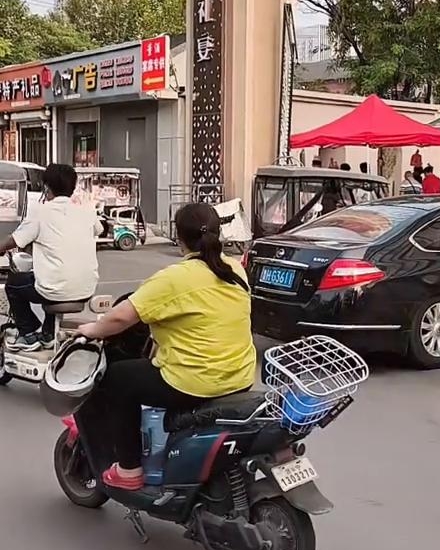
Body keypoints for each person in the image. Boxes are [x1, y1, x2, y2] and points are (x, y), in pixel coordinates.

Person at [76, 202, 256, 490]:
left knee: (119, 379)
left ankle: (129, 470)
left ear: (179, 236)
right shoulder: (235, 269)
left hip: (193, 381)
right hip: (239, 377)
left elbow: (122, 316)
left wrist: (91, 329)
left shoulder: (176, 277)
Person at [0, 163, 101, 350]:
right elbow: (99, 229)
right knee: (54, 275)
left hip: (53, 288)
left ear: (46, 187)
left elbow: (13, 240)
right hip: (86, 288)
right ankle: (47, 333)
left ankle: (28, 333)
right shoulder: (87, 210)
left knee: (15, 284)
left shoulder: (40, 211)